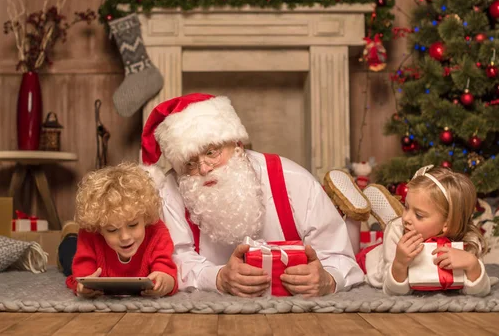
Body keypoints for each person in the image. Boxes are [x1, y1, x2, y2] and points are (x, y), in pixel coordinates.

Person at [139, 93, 364, 297]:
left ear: (237, 143)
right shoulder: (172, 191)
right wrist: (217, 278)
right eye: (190, 163)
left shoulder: (293, 180)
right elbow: (173, 259)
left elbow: (341, 258)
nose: (205, 169)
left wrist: (329, 279)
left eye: (211, 152)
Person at [330, 165, 491, 296]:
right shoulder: (397, 230)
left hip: (397, 240)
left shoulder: (468, 240)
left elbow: (480, 291)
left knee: (400, 223)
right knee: (348, 261)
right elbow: (391, 290)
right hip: (371, 261)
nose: (406, 217)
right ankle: (355, 215)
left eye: (419, 215)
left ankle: (393, 213)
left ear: (447, 224)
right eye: (406, 207)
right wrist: (400, 264)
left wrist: (472, 265)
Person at [62, 162, 178, 297]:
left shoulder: (157, 231)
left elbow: (166, 269)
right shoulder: (90, 233)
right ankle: (69, 235)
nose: (125, 237)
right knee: (68, 258)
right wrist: (83, 286)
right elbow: (82, 273)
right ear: (98, 229)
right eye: (112, 230)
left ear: (145, 218)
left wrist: (164, 280)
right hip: (79, 247)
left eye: (133, 225)